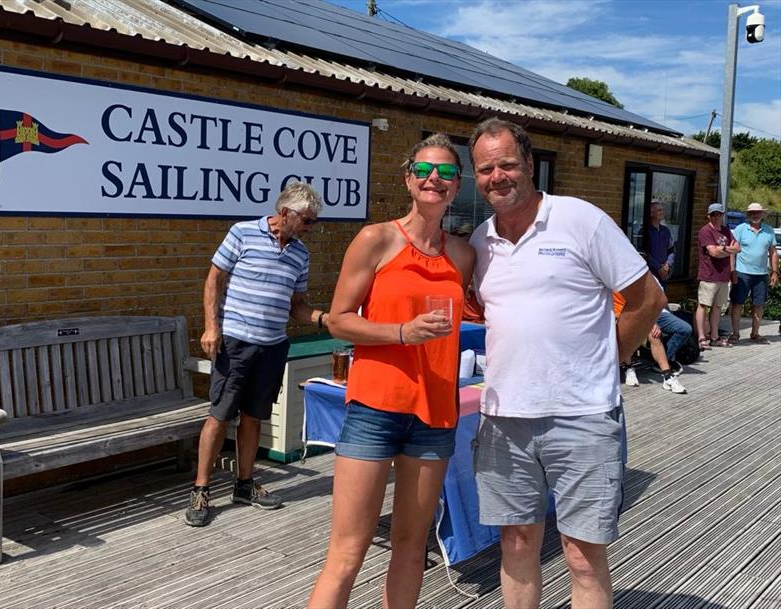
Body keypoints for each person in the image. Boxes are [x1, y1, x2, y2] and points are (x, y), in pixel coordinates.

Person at [467, 117, 666, 609]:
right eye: (486, 168)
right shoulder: (479, 242)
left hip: (581, 415)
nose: (498, 176)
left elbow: (648, 298)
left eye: (508, 164)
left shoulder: (580, 219)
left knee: (580, 553)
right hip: (504, 417)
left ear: (530, 165)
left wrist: (611, 357)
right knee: (515, 544)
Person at [307, 134, 474, 609]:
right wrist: (402, 332)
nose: (433, 180)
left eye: (444, 173)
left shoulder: (462, 255)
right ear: (408, 178)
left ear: (457, 184)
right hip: (374, 408)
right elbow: (339, 319)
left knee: (410, 547)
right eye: (423, 171)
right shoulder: (376, 239)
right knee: (347, 551)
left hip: (436, 414)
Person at [185, 182, 329, 527]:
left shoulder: (300, 254)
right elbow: (214, 279)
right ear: (285, 213)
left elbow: (297, 307)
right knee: (219, 415)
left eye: (313, 222)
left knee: (253, 416)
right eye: (307, 221)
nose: (311, 228)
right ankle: (200, 489)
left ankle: (244, 484)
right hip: (236, 343)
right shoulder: (242, 233)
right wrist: (211, 326)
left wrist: (326, 319)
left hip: (273, 346)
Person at [729, 202, 779, 344]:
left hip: (761, 274)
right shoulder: (740, 229)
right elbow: (732, 251)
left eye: (758, 212)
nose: (755, 215)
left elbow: (773, 252)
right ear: (748, 215)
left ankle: (755, 333)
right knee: (737, 303)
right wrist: (732, 270)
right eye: (752, 213)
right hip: (742, 272)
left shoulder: (769, 231)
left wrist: (775, 272)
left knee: (759, 304)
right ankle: (735, 334)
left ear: (763, 214)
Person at [695, 203, 740, 349]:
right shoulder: (705, 231)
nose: (716, 217)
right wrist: (728, 249)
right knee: (703, 305)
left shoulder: (726, 231)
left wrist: (723, 249)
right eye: (713, 214)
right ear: (709, 216)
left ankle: (714, 337)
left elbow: (737, 248)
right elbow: (713, 252)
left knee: (717, 307)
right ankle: (702, 338)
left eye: (719, 214)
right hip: (709, 275)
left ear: (722, 215)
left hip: (723, 275)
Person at [645, 200, 676, 287]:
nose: (662, 212)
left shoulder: (666, 231)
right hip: (651, 273)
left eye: (662, 210)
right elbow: (644, 252)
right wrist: (658, 267)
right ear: (651, 213)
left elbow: (671, 249)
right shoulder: (645, 231)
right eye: (659, 210)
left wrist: (668, 265)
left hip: (664, 274)